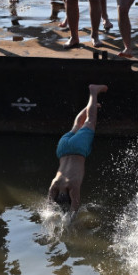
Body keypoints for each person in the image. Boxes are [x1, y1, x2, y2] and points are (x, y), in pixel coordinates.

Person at [49, 84, 108, 213]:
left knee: (90, 120)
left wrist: (67, 223)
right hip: (62, 149)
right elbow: (49, 205)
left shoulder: (73, 186)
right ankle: (89, 106)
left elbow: (73, 210)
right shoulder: (55, 183)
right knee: (76, 125)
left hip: (78, 150)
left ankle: (94, 92)